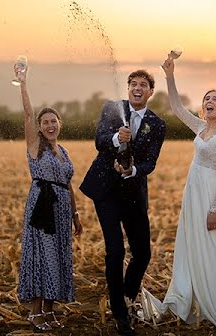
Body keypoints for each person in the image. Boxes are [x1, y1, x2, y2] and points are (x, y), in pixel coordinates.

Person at [141, 55, 216, 328]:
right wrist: (170, 76)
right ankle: (189, 294)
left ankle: (213, 301)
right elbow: (176, 108)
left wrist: (214, 209)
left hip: (211, 196)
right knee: (190, 243)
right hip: (193, 191)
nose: (209, 101)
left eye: (215, 99)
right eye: (206, 98)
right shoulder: (200, 127)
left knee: (210, 246)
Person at [79, 70, 167, 336]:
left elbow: (150, 161)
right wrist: (118, 138)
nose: (137, 88)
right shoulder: (111, 109)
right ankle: (120, 313)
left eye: (143, 85)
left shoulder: (157, 123)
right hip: (106, 191)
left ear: (151, 92)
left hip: (133, 193)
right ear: (128, 88)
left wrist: (133, 171)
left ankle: (128, 295)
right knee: (115, 251)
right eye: (133, 84)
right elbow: (100, 141)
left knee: (143, 253)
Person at [15, 61, 82, 331]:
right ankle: (36, 312)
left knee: (59, 256)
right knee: (43, 258)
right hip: (42, 209)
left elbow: (67, 185)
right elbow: (28, 115)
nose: (50, 125)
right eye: (46, 122)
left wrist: (76, 215)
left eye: (54, 121)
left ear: (60, 124)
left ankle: (50, 310)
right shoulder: (35, 147)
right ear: (40, 127)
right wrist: (23, 83)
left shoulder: (63, 151)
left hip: (62, 210)